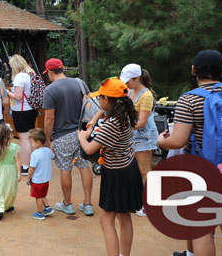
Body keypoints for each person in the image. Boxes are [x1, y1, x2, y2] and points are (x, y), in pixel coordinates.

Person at [158, 50, 222, 256]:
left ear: (194, 71)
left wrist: (160, 140)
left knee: (202, 230)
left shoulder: (189, 99)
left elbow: (178, 140)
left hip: (201, 170)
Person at [78, 77, 142, 256]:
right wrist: (92, 123)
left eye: (100, 98)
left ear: (107, 100)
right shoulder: (126, 115)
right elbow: (101, 113)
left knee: (106, 220)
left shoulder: (112, 124)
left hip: (116, 175)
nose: (98, 101)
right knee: (125, 216)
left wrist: (82, 136)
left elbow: (89, 148)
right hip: (129, 168)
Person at [42, 58, 94, 216]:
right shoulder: (79, 83)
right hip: (82, 133)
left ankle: (67, 204)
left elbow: (49, 118)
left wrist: (46, 139)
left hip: (62, 134)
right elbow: (89, 105)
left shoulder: (50, 90)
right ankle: (88, 203)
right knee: (84, 166)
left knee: (65, 168)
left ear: (50, 72)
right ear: (62, 69)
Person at [119, 63, 158, 217]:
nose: (126, 84)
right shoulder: (129, 92)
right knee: (134, 170)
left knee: (145, 170)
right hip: (132, 135)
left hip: (144, 136)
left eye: (128, 81)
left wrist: (122, 128)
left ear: (137, 78)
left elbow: (141, 121)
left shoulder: (146, 95)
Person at [7, 54, 40, 177]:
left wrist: (8, 92)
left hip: (21, 111)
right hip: (31, 109)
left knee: (24, 139)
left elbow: (18, 96)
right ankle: (32, 163)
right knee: (30, 138)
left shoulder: (19, 77)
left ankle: (25, 166)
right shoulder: (30, 74)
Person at [0, 123, 21, 220]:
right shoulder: (15, 147)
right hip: (11, 171)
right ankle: (8, 205)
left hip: (0, 171)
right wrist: (19, 173)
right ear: (9, 136)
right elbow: (17, 160)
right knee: (10, 189)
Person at [27, 128, 55, 220]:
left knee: (38, 197)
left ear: (38, 142)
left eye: (32, 142)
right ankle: (47, 208)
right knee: (43, 195)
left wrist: (28, 177)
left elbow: (32, 168)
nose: (31, 144)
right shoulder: (47, 150)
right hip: (46, 179)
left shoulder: (35, 154)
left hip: (37, 180)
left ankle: (40, 213)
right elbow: (53, 156)